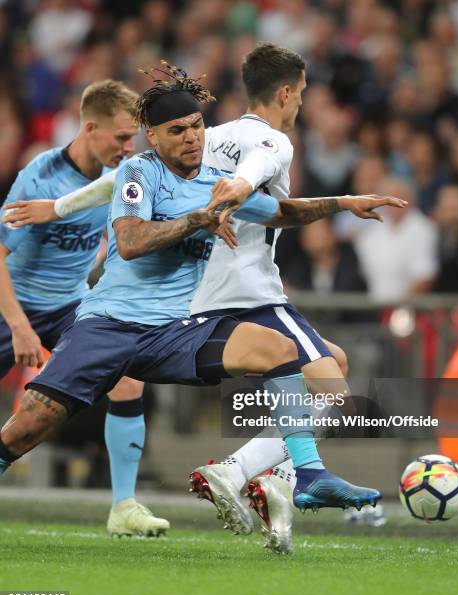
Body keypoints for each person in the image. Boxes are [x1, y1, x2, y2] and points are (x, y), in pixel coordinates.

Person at [2, 47, 402, 553]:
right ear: (155, 138)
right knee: (27, 428)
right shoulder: (139, 174)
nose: (191, 137)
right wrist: (197, 219)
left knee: (279, 351)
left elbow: (279, 213)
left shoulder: (214, 183)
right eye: (177, 131)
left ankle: (307, 473)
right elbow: (129, 241)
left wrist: (344, 204)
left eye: (195, 127)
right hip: (108, 325)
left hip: (173, 331)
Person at [0, 79, 170, 538]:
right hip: (14, 307)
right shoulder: (42, 175)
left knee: (127, 376)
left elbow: (102, 236)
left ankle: (124, 506)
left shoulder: (122, 178)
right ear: (90, 128)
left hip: (71, 305)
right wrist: (19, 327)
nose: (127, 147)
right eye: (120, 137)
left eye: (132, 138)